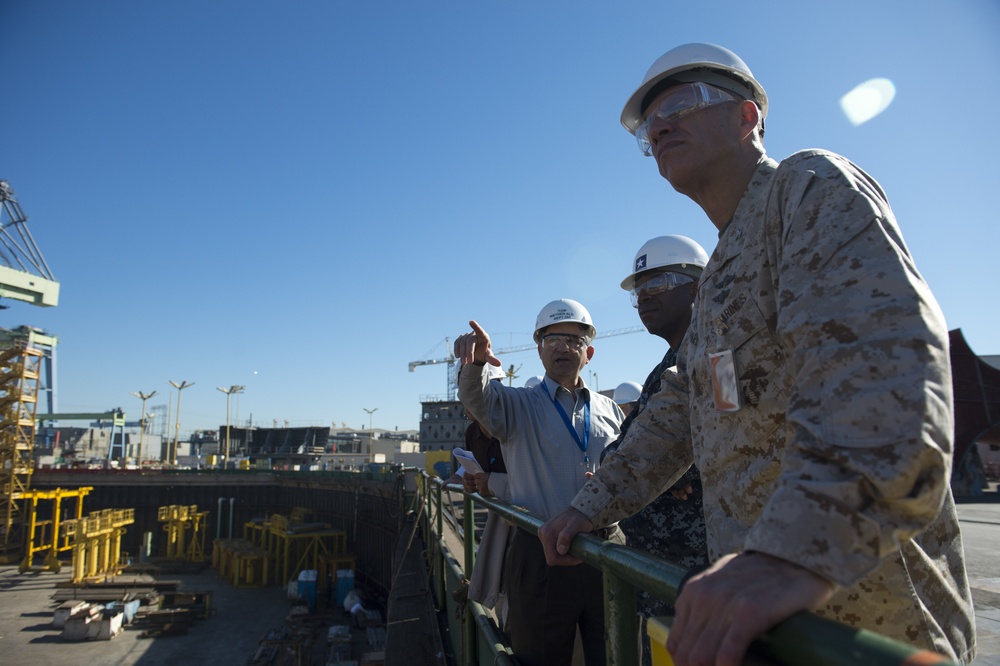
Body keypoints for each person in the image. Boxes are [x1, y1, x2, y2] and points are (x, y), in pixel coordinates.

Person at [539, 43, 976, 666]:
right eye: (649, 124)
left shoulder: (807, 188)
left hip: (873, 627)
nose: (660, 125)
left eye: (682, 103)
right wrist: (590, 506)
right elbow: (674, 415)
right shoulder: (718, 277)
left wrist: (793, 551)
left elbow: (880, 372)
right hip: (763, 624)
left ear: (748, 117)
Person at [455, 298, 624, 666]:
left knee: (612, 653)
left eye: (573, 340)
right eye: (551, 340)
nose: (562, 347)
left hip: (607, 552)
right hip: (540, 553)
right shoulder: (518, 406)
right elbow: (477, 397)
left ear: (589, 351)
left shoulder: (610, 411)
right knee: (539, 656)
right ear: (539, 349)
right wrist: (477, 362)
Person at [603, 235, 711, 666]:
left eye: (658, 282)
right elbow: (623, 454)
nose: (644, 297)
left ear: (698, 287)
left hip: (693, 578)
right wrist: (651, 472)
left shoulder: (711, 356)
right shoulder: (667, 367)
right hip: (663, 575)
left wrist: (659, 473)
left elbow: (662, 458)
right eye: (638, 291)